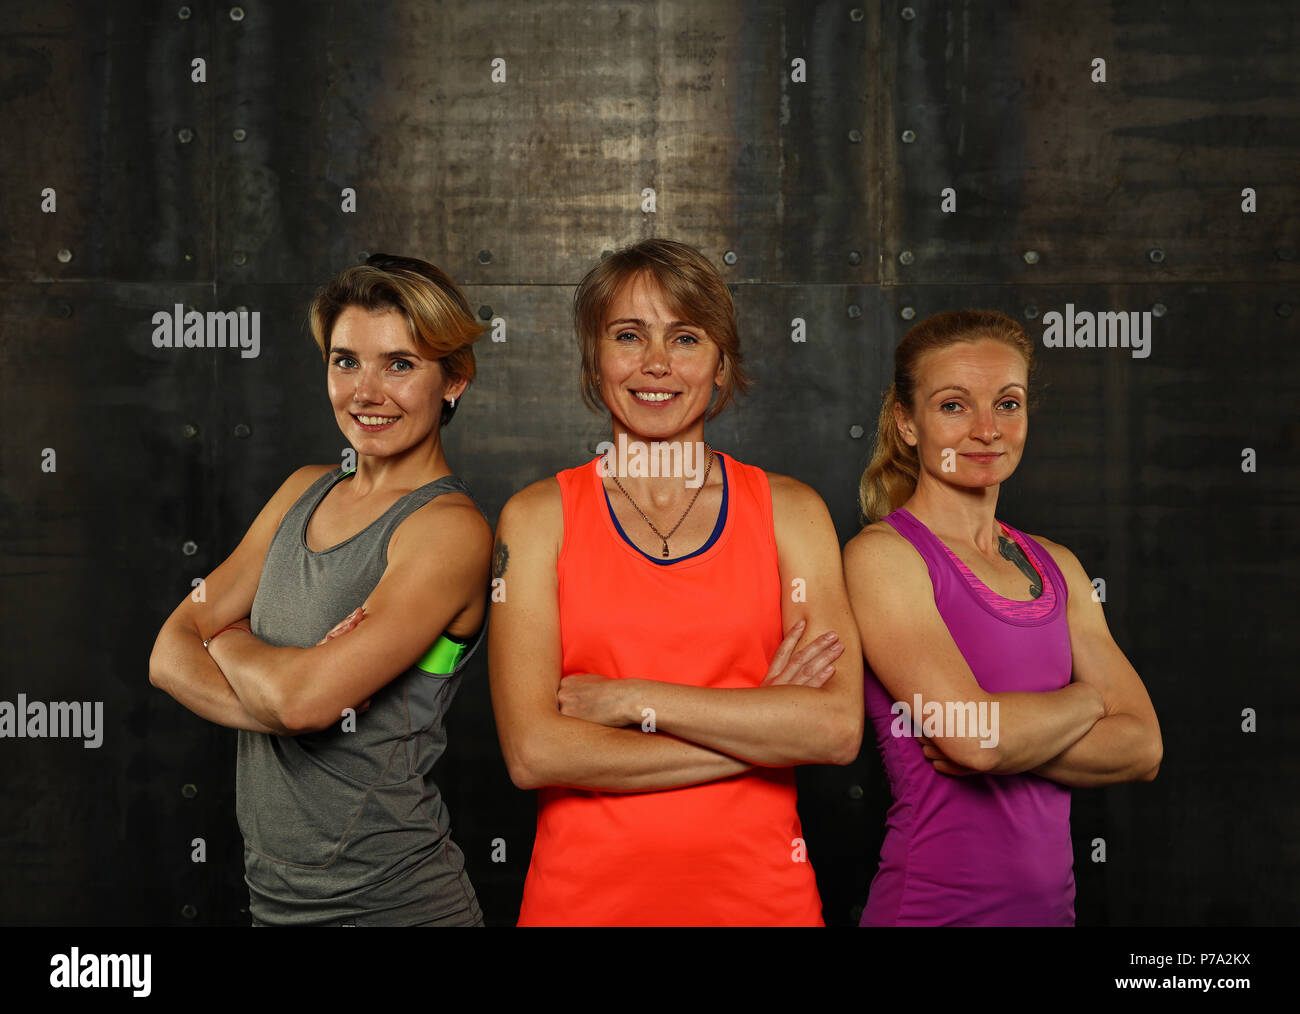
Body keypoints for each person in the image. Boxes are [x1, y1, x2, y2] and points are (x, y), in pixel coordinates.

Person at [488, 238, 864, 926]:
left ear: (721, 365)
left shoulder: (792, 512)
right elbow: (534, 751)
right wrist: (762, 725)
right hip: (579, 908)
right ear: (594, 360)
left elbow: (835, 728)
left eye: (685, 337)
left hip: (762, 906)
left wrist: (628, 699)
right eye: (628, 335)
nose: (656, 364)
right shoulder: (538, 518)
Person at [149, 253, 491, 926]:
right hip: (274, 902)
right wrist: (280, 698)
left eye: (399, 364)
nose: (366, 390)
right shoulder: (301, 492)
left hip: (397, 905)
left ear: (454, 378)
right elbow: (167, 651)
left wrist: (229, 640)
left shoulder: (449, 531)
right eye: (345, 361)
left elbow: (306, 703)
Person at [844, 309, 1162, 926]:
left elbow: (1143, 747)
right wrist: (1086, 703)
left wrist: (1000, 739)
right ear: (907, 423)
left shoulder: (1059, 566)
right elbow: (974, 739)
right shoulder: (884, 557)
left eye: (1008, 404)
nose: (987, 430)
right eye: (954, 406)